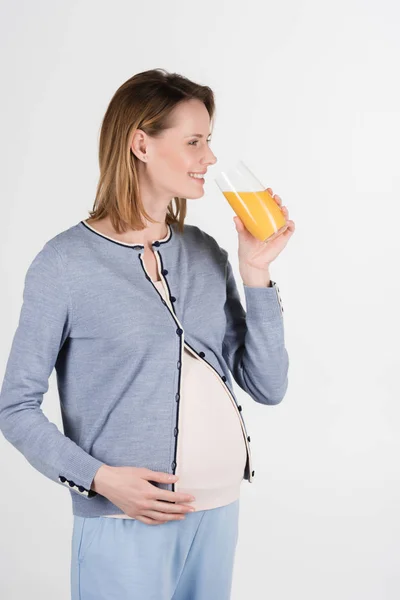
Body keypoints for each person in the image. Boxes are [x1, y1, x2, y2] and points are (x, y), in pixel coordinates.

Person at [0, 68, 295, 600]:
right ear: (141, 143)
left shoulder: (205, 252)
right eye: (193, 142)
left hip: (219, 513)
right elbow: (15, 408)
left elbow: (268, 385)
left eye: (209, 141)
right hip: (125, 523)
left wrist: (256, 273)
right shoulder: (65, 263)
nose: (209, 158)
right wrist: (99, 480)